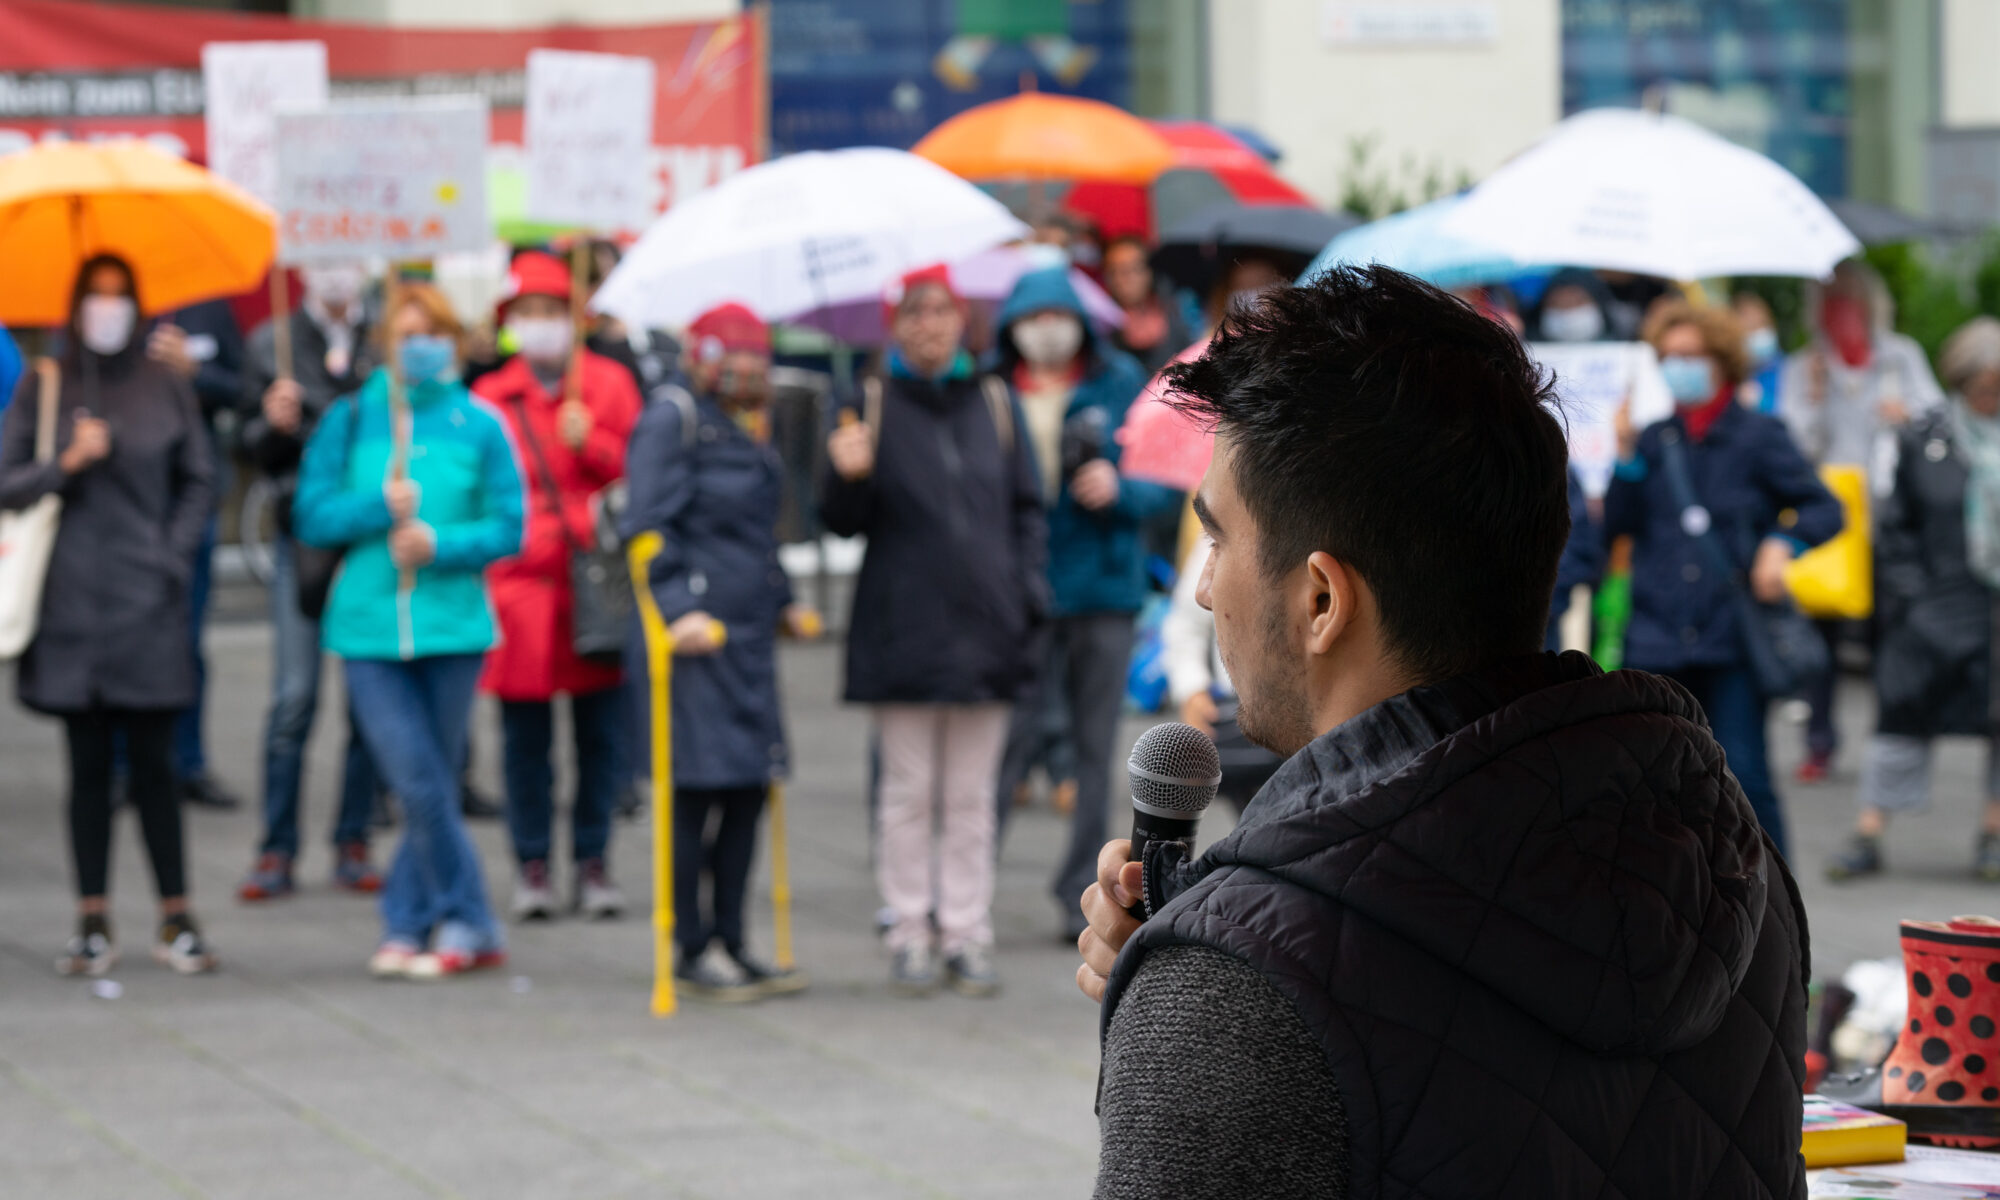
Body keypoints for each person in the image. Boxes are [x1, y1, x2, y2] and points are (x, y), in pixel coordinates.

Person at [1073, 265, 1811, 1198]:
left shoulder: (1240, 993)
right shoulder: (1726, 858)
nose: (1205, 587)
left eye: (1218, 540)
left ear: (1321, 599)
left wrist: (1182, 1004)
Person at [821, 265, 1045, 997]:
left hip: (988, 628)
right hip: (904, 627)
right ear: (894, 323)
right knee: (910, 791)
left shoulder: (992, 397)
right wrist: (847, 475)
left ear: (962, 319)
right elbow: (841, 523)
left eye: (942, 309)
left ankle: (967, 929)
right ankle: (911, 927)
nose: (930, 324)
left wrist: (1025, 596)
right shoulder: (869, 401)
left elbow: (1027, 510)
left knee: (975, 795)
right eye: (915, 311)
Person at [292, 280, 524, 981]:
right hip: (368, 629)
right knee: (415, 779)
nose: (418, 347)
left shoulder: (479, 424)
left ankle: (409, 917)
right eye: (405, 334)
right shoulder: (352, 417)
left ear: (450, 341)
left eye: (432, 334)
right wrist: (375, 508)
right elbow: (311, 514)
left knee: (433, 783)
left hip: (451, 628)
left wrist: (440, 546)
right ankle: (471, 916)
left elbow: (509, 526)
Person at [0, 254, 218, 976]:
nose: (107, 311)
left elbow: (199, 479)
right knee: (87, 767)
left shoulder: (166, 385)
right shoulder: (46, 383)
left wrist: (170, 558)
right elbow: (8, 482)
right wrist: (67, 460)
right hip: (72, 605)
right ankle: (92, 916)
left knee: (156, 764)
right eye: (95, 298)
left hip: (147, 600)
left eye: (119, 298)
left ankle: (175, 912)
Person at [1605, 299, 1843, 859]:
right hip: (1659, 635)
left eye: (1691, 355)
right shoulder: (1653, 438)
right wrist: (1624, 459)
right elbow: (1619, 526)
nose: (1678, 366)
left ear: (1721, 360)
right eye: (1669, 356)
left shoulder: (1759, 434)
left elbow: (1824, 509)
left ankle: (1778, 919)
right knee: (1656, 783)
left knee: (1746, 779)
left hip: (1731, 638)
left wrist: (1782, 545)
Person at [626, 302, 816, 1000]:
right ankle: (691, 943)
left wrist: (787, 597)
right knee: (697, 792)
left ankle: (734, 938)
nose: (748, 372)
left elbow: (756, 535)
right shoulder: (672, 416)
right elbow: (645, 526)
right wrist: (678, 609)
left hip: (748, 637)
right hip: (694, 641)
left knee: (747, 789)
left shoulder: (744, 425)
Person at [990, 267, 1176, 940]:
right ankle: (967, 884)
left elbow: (1163, 478)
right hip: (1020, 591)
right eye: (1032, 316)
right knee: (1007, 741)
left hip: (1102, 588)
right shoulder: (991, 388)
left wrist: (1119, 489)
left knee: (1096, 750)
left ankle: (1081, 887)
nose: (1046, 329)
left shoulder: (1120, 379)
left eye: (1056, 315)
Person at [473, 251, 641, 921]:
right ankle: (533, 862)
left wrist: (593, 442)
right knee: (524, 741)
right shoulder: (490, 399)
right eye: (529, 314)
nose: (541, 326)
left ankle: (594, 860)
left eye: (552, 312)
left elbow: (643, 477)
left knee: (602, 739)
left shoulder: (611, 386)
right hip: (521, 591)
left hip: (594, 584)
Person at [235, 262, 387, 900]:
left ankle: (354, 837)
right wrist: (272, 422)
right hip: (304, 539)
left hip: (371, 540)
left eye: (346, 261)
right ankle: (276, 847)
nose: (337, 274)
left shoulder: (386, 339)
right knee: (294, 698)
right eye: (324, 258)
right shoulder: (270, 341)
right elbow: (244, 448)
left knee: (369, 703)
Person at [1829, 317, 2000, 882]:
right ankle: (1870, 832)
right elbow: (1895, 529)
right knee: (1900, 715)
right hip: (1932, 607)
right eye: (1984, 383)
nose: (1991, 395)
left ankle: (1993, 834)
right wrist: (1913, 598)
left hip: (1994, 608)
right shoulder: (1924, 436)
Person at [1779, 260, 1944, 785]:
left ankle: (1889, 737)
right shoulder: (1804, 365)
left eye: (1851, 296)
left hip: (1888, 514)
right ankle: (1820, 740)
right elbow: (1793, 447)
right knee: (1820, 635)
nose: (1843, 308)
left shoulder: (1900, 357)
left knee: (1889, 632)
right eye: (1831, 298)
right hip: (1830, 514)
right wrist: (1813, 396)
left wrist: (1908, 417)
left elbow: (1937, 419)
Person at [147, 297, 246, 811]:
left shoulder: (207, 308)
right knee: (126, 639)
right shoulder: (111, 305)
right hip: (125, 504)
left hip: (193, 496)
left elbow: (241, 384)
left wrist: (195, 371)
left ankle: (188, 762)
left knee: (187, 639)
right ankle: (126, 766)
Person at [1101, 235, 1194, 376]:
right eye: (1114, 271)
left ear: (1150, 271)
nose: (1123, 279)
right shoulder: (1100, 324)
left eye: (1133, 269)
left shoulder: (1178, 309)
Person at [1733, 291, 1785, 413]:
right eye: (1751, 329)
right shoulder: (1730, 371)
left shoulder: (1784, 365)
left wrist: (1762, 401)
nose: (1759, 335)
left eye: (1762, 326)